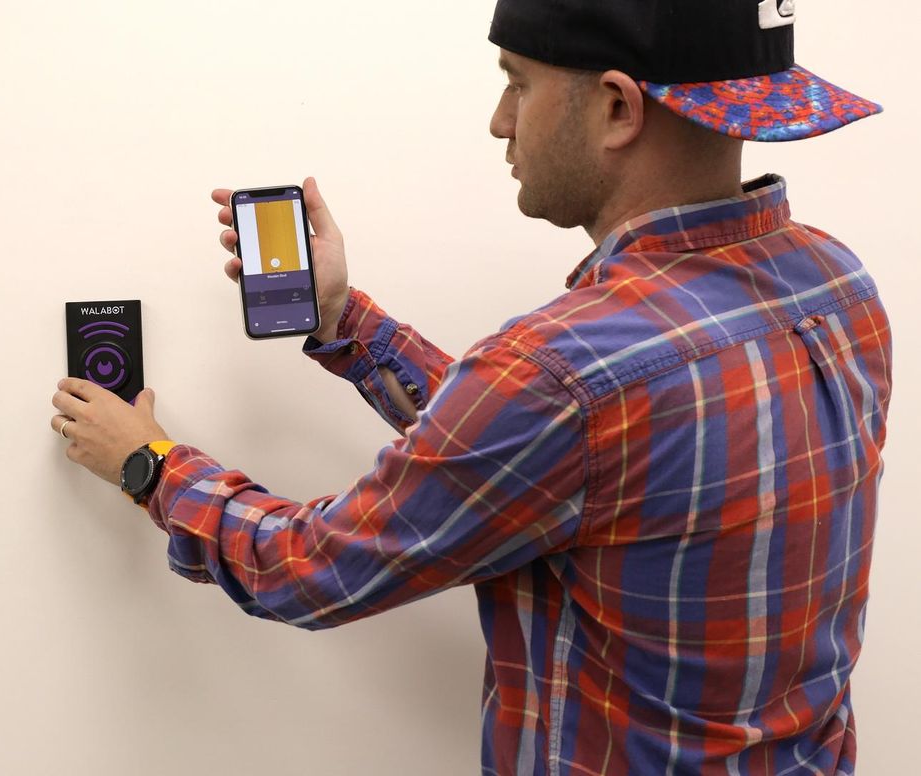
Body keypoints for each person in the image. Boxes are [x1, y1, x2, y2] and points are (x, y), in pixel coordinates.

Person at [50, 2, 892, 773]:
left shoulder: (563, 378)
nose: (500, 121)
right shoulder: (836, 284)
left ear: (617, 109)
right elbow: (552, 455)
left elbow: (309, 568)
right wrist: (346, 321)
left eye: (517, 84)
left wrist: (149, 465)